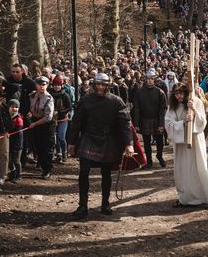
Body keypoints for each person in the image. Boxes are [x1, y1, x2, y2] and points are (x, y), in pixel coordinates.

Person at [67, 73, 134, 219]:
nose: (100, 87)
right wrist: (71, 142)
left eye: (103, 85)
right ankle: (82, 206)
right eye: (98, 84)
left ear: (108, 86)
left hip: (108, 139)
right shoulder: (85, 100)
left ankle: (105, 203)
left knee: (106, 173)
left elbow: (125, 125)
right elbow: (76, 122)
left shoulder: (117, 101)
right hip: (88, 137)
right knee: (83, 171)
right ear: (94, 85)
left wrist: (129, 144)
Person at [165, 83, 208, 207]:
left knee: (197, 168)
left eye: (181, 93)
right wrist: (182, 123)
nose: (178, 96)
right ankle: (185, 198)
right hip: (181, 145)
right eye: (176, 94)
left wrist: (194, 110)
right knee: (183, 170)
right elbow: (168, 123)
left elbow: (203, 122)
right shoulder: (173, 106)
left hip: (195, 141)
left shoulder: (196, 101)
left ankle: (202, 197)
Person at [133, 69, 167, 168]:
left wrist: (161, 123)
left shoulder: (160, 92)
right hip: (145, 120)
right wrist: (137, 123)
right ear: (145, 80)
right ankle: (149, 162)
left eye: (152, 79)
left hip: (157, 119)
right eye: (148, 79)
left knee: (160, 141)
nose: (150, 81)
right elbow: (136, 108)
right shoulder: (139, 92)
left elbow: (163, 109)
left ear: (154, 80)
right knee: (147, 143)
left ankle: (159, 156)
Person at [27, 76, 55, 179]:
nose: (42, 87)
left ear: (47, 85)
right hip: (34, 122)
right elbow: (29, 108)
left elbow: (48, 117)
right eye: (39, 84)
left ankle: (47, 169)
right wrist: (30, 113)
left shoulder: (49, 98)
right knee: (37, 147)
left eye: (44, 84)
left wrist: (35, 124)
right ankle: (42, 165)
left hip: (46, 125)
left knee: (47, 148)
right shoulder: (32, 96)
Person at [50, 76, 71, 163]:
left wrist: (60, 112)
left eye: (58, 85)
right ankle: (58, 154)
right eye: (55, 85)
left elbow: (69, 107)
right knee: (55, 137)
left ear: (61, 86)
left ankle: (64, 153)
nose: (57, 87)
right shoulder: (49, 94)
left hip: (63, 119)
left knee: (61, 136)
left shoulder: (65, 95)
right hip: (52, 119)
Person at [7, 99, 24, 183]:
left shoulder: (19, 119)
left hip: (17, 143)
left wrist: (9, 133)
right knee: (10, 160)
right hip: (9, 142)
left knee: (16, 160)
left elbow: (18, 131)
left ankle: (19, 174)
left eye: (16, 107)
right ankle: (13, 172)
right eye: (12, 107)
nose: (14, 109)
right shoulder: (7, 117)